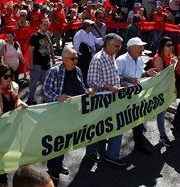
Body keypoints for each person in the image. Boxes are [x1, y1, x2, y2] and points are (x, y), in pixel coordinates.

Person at [43, 47, 93, 182]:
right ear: (64, 59)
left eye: (76, 58)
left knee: (66, 140)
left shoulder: (77, 70)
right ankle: (53, 168)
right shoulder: (54, 72)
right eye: (73, 58)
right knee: (57, 141)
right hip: (57, 113)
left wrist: (86, 91)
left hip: (72, 112)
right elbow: (46, 90)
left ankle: (59, 163)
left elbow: (81, 86)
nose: (76, 60)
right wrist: (57, 97)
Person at [86, 33, 126, 166]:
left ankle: (112, 155)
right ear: (107, 45)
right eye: (116, 46)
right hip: (101, 101)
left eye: (120, 46)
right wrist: (108, 86)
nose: (119, 49)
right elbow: (92, 81)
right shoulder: (98, 59)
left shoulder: (112, 56)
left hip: (113, 100)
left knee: (117, 125)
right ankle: (91, 151)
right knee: (97, 126)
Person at [116, 37, 159, 154]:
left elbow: (140, 74)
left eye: (142, 47)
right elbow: (115, 78)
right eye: (140, 47)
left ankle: (139, 145)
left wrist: (146, 73)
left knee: (139, 120)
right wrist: (126, 79)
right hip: (122, 98)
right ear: (131, 48)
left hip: (136, 96)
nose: (142, 49)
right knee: (119, 122)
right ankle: (108, 144)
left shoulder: (140, 60)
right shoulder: (121, 60)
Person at [152, 37, 176, 146]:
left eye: (172, 45)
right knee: (161, 112)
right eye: (168, 45)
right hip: (158, 90)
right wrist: (171, 65)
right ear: (162, 46)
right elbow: (162, 76)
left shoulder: (170, 57)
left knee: (158, 111)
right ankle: (162, 135)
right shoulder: (158, 58)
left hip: (167, 89)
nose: (171, 47)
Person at [28, 19, 55, 105]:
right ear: (40, 25)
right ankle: (30, 97)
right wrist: (31, 64)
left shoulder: (49, 34)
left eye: (47, 25)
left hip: (46, 62)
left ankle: (47, 97)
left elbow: (50, 47)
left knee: (47, 81)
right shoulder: (35, 36)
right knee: (33, 81)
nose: (46, 26)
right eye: (44, 24)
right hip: (37, 63)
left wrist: (53, 58)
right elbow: (30, 51)